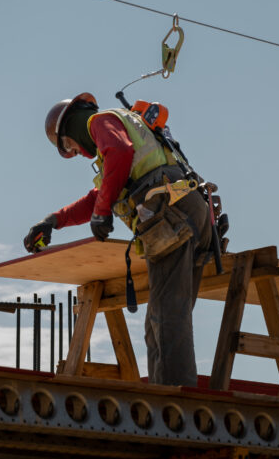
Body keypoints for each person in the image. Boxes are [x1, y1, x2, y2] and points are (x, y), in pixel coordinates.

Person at [23, 92, 213, 386]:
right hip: (190, 212)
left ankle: (176, 404)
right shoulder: (129, 137)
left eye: (69, 147)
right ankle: (167, 392)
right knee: (161, 320)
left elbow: (119, 153)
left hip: (170, 216)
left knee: (167, 317)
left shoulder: (101, 123)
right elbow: (101, 195)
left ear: (70, 130)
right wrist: (54, 221)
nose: (76, 152)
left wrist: (102, 213)